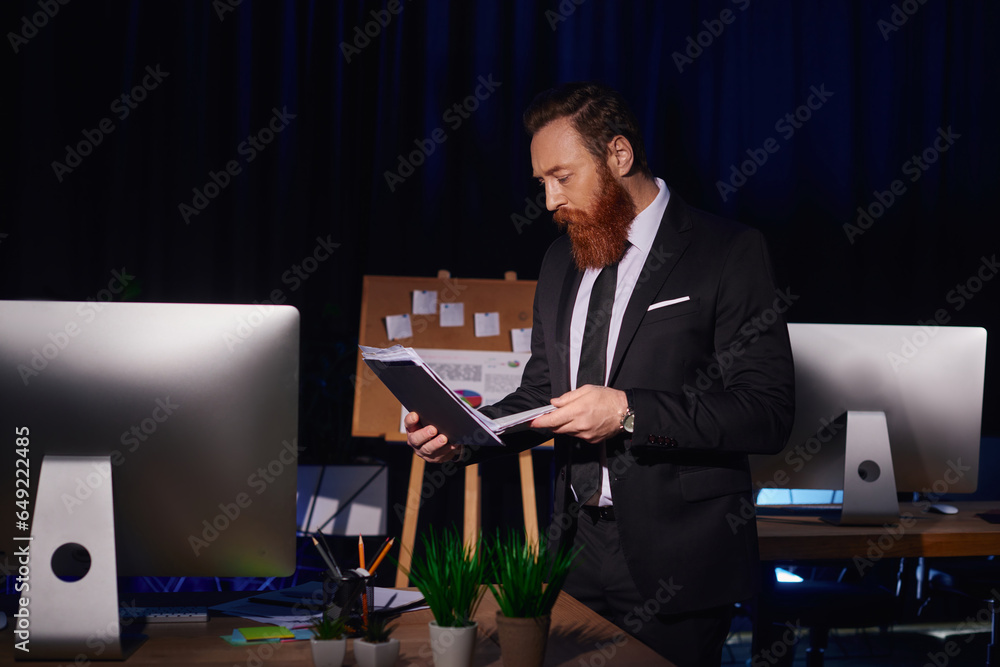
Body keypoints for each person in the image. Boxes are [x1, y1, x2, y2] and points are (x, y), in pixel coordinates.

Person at [405, 81, 794, 666]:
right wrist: (460, 436)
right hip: (574, 551)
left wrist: (627, 412)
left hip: (679, 558)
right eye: (541, 183)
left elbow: (766, 413)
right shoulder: (561, 258)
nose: (549, 202)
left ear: (619, 155)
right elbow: (543, 394)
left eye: (562, 177)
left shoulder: (728, 251)